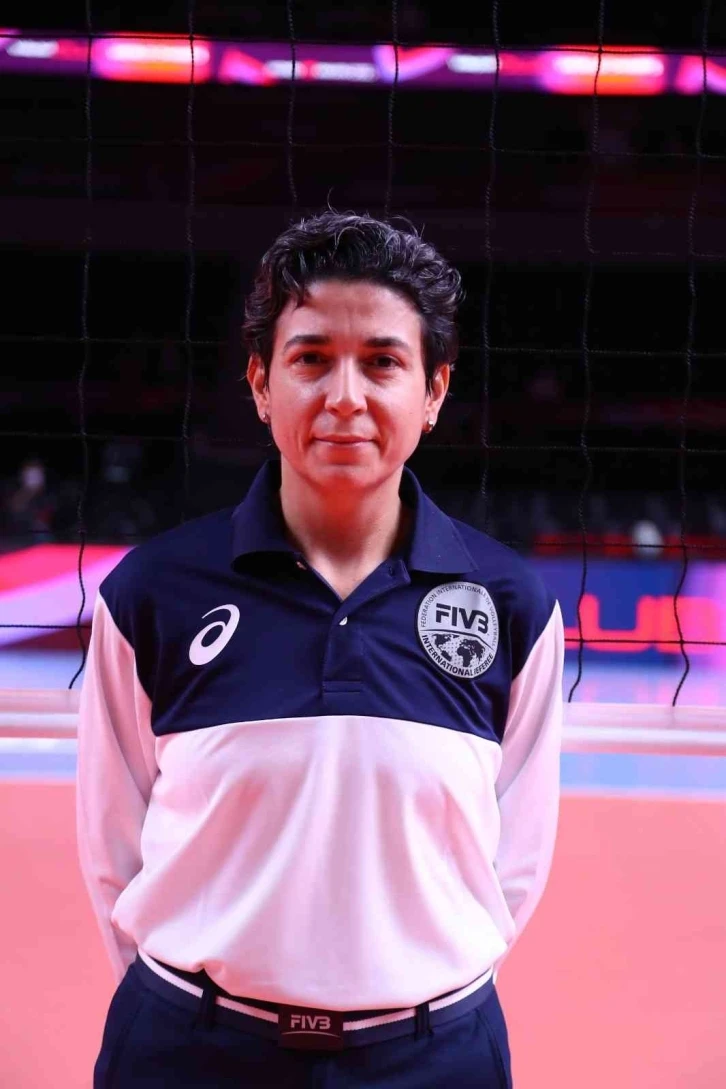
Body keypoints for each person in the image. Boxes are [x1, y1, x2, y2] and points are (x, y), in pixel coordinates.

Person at [77, 210, 564, 1088]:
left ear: (434, 391)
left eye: (382, 361)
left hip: (435, 1058)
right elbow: (114, 850)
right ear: (261, 384)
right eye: (310, 359)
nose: (345, 396)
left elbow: (513, 867)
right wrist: (200, 1007)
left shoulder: (510, 605)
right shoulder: (152, 592)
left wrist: (417, 998)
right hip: (188, 1051)